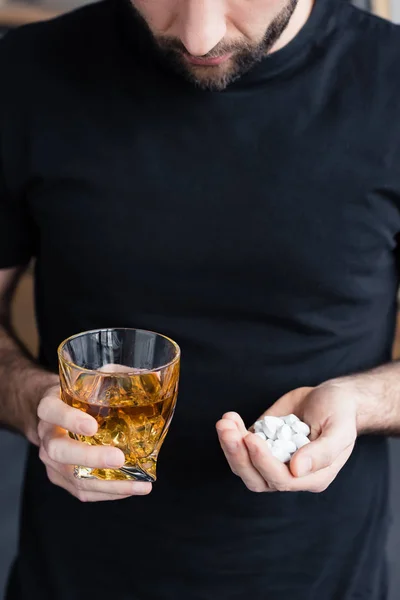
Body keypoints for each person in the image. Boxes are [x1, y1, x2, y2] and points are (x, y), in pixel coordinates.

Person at [0, 0, 399, 597]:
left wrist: (359, 402)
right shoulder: (22, 76)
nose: (198, 35)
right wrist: (34, 401)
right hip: (74, 574)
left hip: (322, 577)